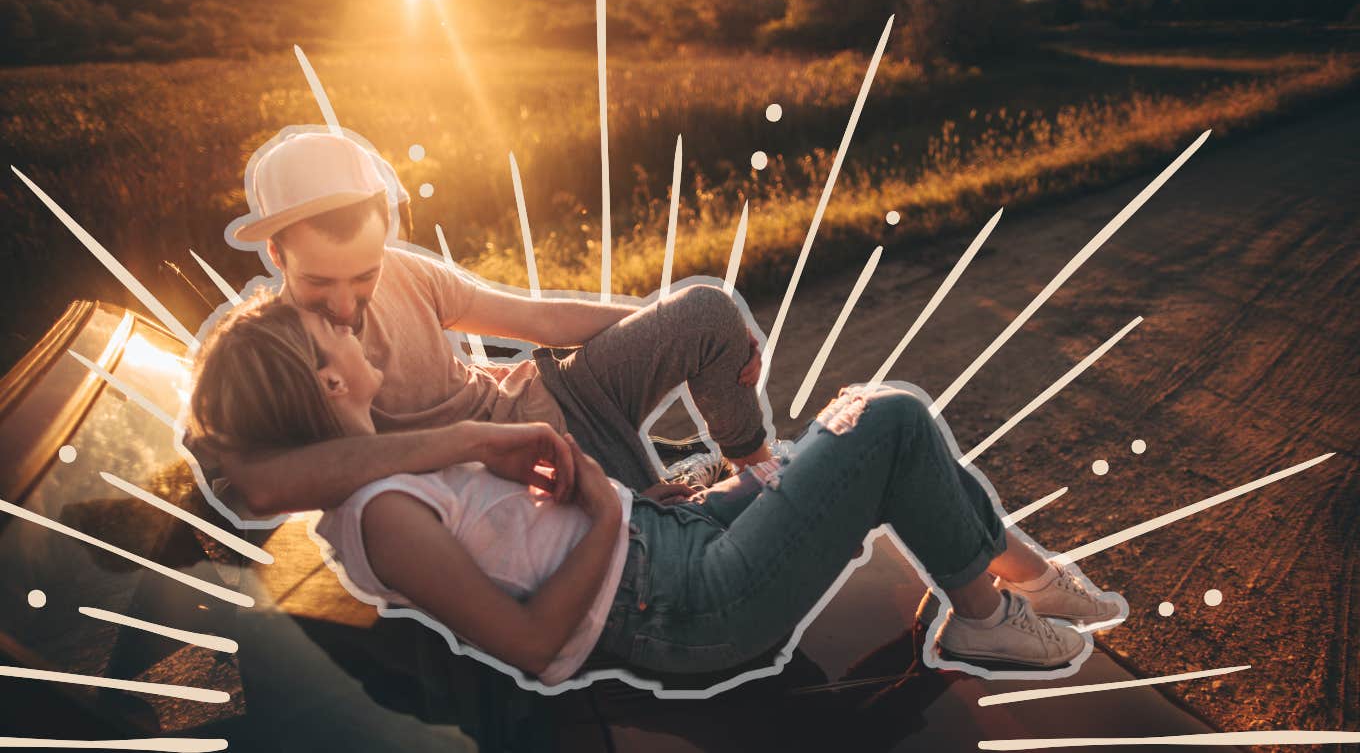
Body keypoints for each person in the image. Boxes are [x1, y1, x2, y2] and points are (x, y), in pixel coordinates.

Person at [188, 293, 1127, 687]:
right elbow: (528, 644)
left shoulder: (384, 466)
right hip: (683, 605)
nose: (356, 329)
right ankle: (983, 610)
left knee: (875, 425)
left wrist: (627, 504)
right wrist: (603, 509)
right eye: (335, 332)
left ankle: (1024, 577)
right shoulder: (383, 515)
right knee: (880, 420)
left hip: (664, 548)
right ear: (326, 382)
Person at [197, 126, 772, 521]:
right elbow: (257, 483)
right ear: (276, 254)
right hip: (520, 483)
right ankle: (700, 497)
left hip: (554, 398)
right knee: (676, 534)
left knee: (705, 310)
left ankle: (760, 475)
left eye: (364, 276)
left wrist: (689, 328)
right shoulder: (268, 356)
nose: (346, 306)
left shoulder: (405, 271)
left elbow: (537, 318)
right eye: (321, 284)